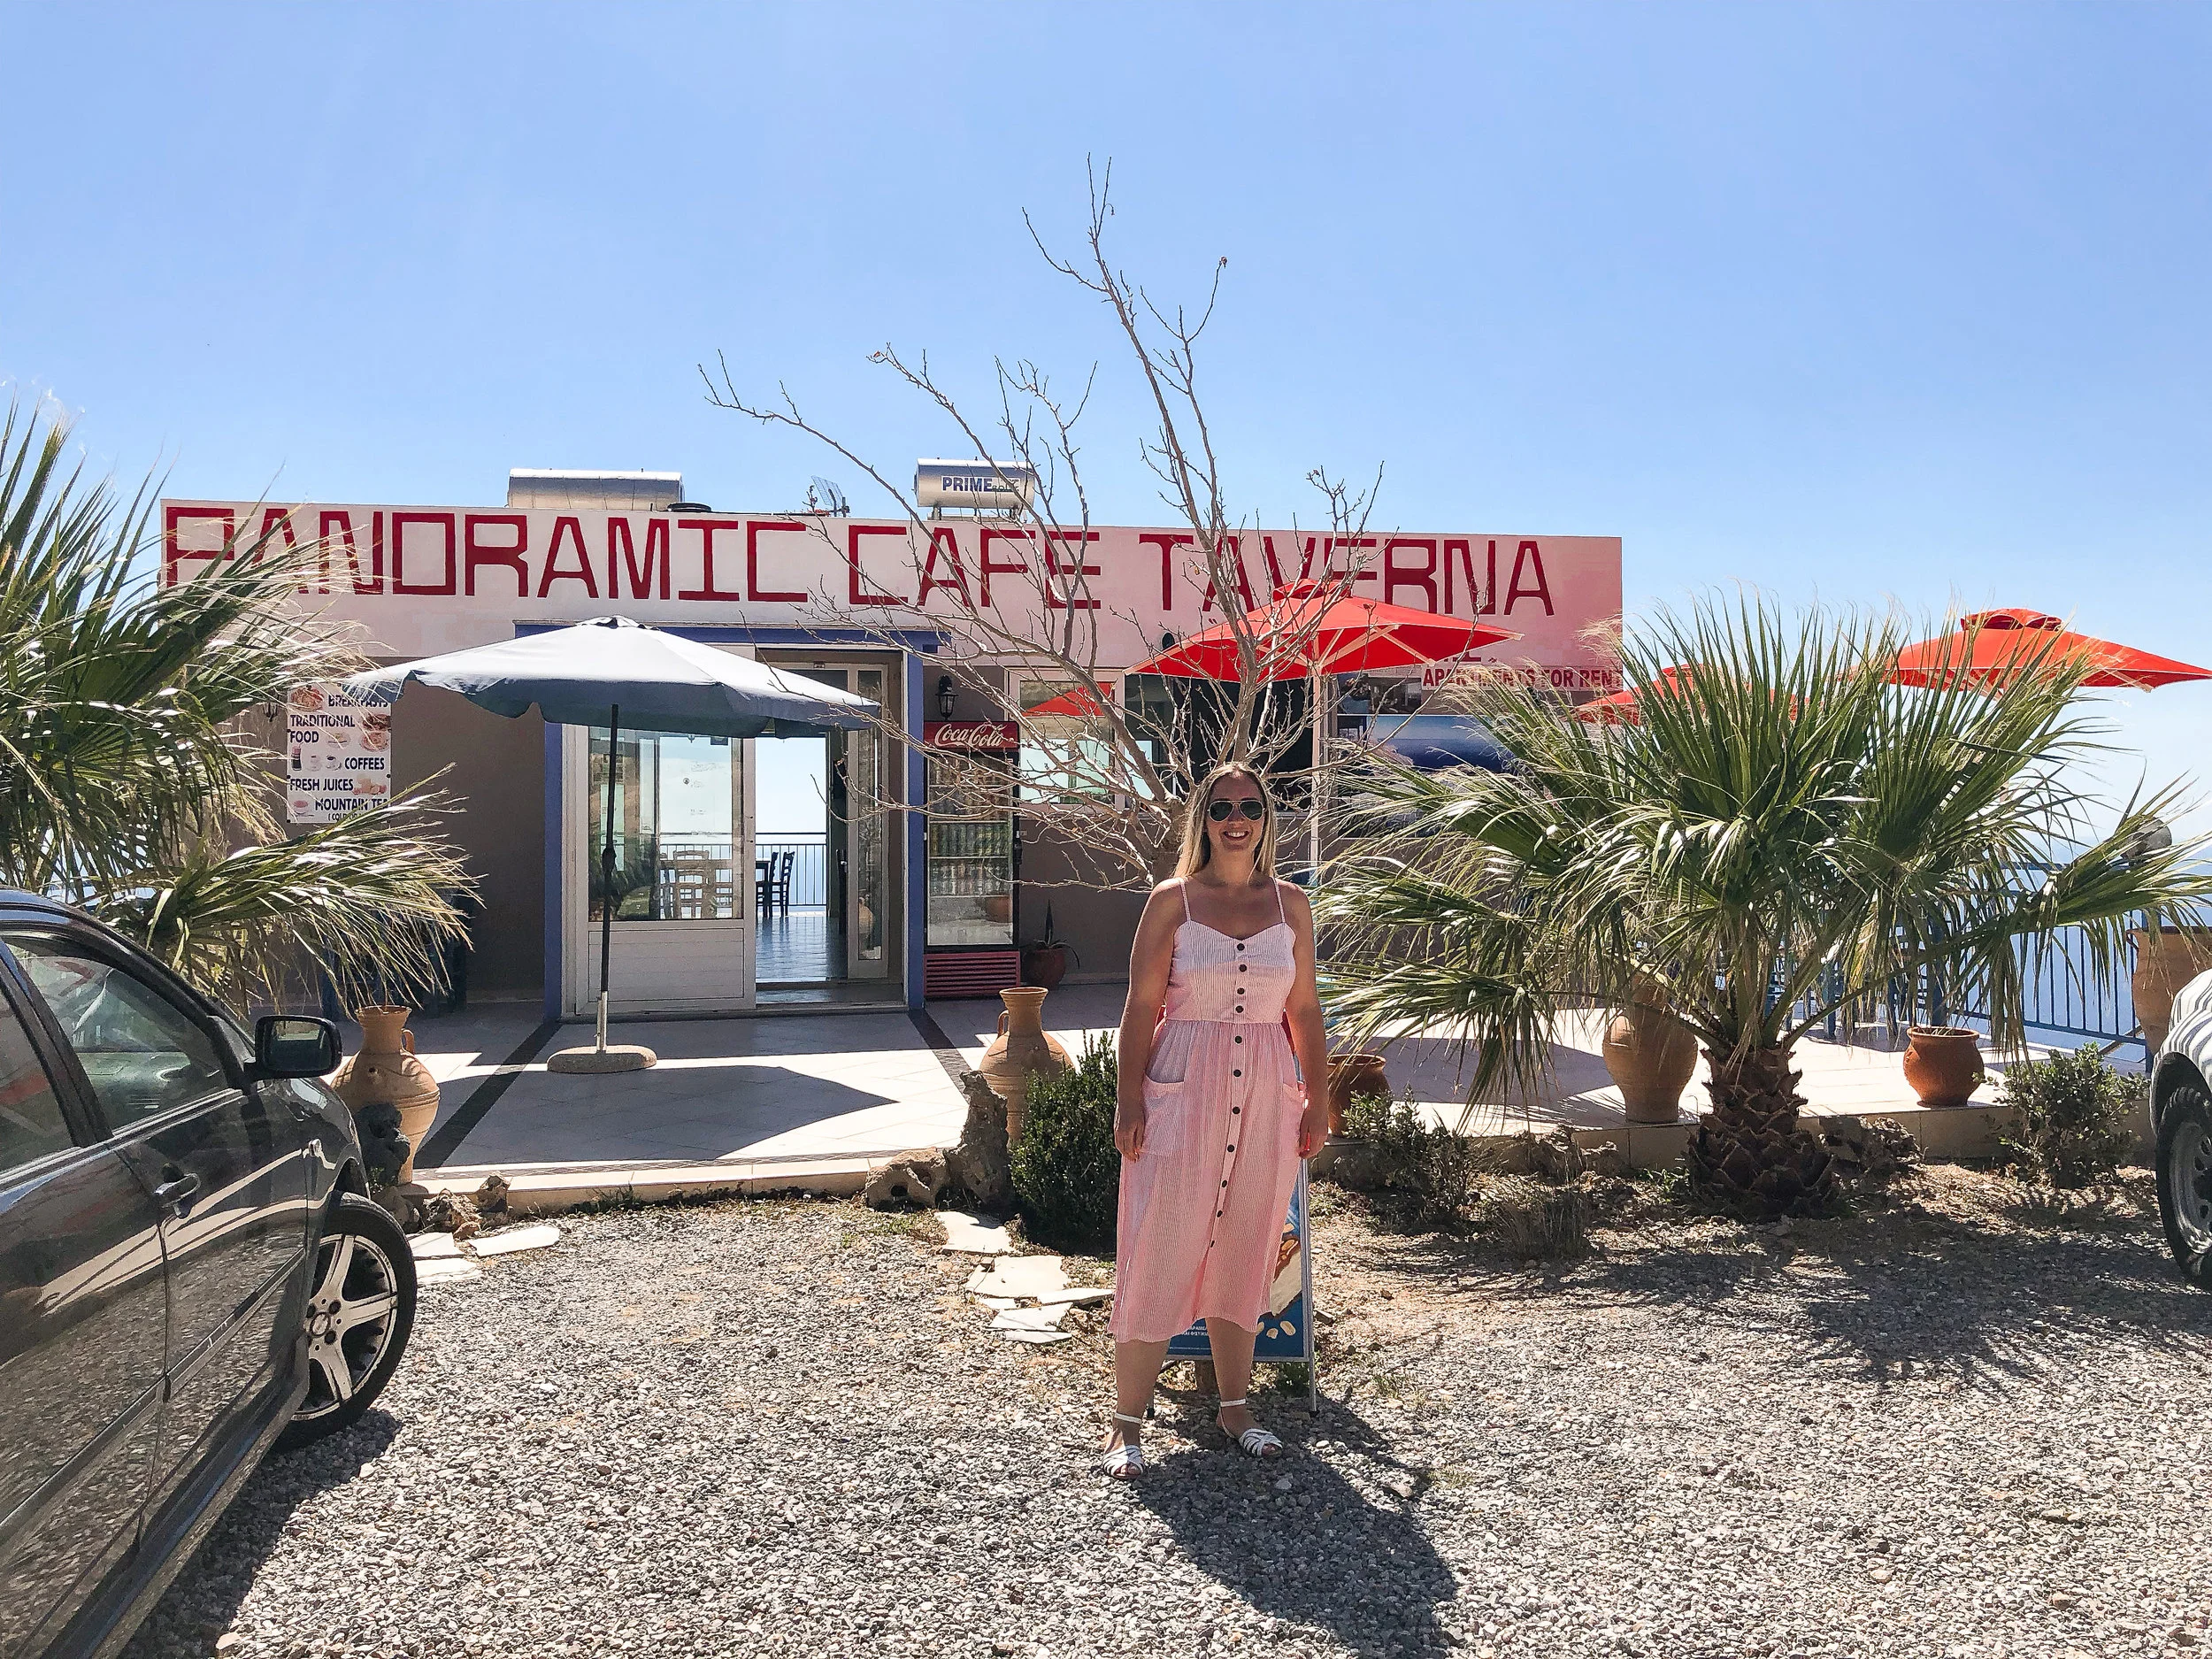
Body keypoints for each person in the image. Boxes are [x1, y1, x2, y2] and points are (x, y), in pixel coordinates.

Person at [1099, 762, 1329, 1479]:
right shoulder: (1173, 901)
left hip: (1267, 1088)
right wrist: (1128, 1096)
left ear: (1266, 818)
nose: (1238, 818)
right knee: (1159, 1237)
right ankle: (1126, 1420)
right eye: (1223, 805)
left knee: (1248, 1240)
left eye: (1251, 807)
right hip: (1181, 1084)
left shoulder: (1291, 905)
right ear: (1203, 816)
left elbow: (1305, 1009)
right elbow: (1141, 1005)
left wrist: (1318, 1095)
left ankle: (1236, 1407)